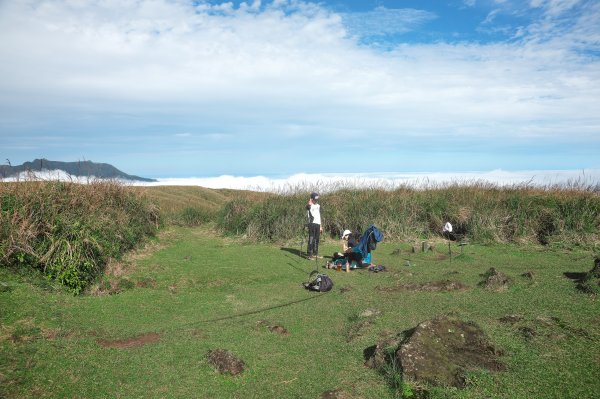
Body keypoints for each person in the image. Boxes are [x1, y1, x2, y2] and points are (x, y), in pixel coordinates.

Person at [305, 192, 323, 259]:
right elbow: (307, 208)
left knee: (316, 239)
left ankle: (315, 253)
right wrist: (309, 204)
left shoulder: (318, 205)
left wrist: (321, 226)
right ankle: (309, 254)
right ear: (311, 199)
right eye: (315, 199)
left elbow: (319, 216)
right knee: (311, 239)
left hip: (318, 224)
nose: (316, 200)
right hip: (311, 224)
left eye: (317, 199)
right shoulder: (309, 205)